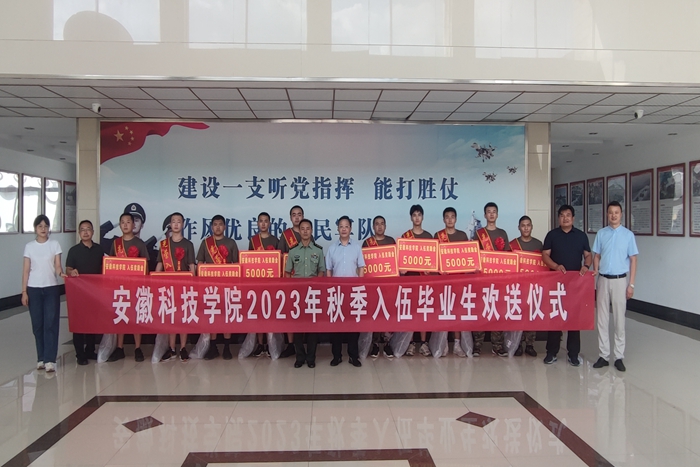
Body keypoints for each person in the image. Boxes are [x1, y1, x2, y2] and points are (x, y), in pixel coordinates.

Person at [542, 204, 592, 366]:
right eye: (562, 215)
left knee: (574, 318)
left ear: (573, 218)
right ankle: (551, 352)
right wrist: (556, 266)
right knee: (555, 317)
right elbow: (545, 255)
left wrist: (586, 266)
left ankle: (573, 354)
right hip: (555, 283)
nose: (565, 218)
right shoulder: (552, 235)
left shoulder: (581, 236)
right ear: (558, 218)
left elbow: (588, 255)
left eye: (568, 215)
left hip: (575, 284)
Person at [592, 201, 638, 372]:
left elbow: (633, 260)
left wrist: (631, 284)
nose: (613, 215)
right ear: (607, 214)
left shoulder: (628, 235)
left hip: (620, 280)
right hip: (603, 279)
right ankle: (603, 355)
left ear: (621, 214)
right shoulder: (601, 234)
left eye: (616, 212)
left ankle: (619, 356)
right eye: (610, 212)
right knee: (602, 319)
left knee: (619, 319)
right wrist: (596, 269)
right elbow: (596, 255)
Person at [22, 215, 66, 373]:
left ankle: (50, 359)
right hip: (33, 289)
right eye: (40, 226)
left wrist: (62, 274)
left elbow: (58, 266)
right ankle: (40, 358)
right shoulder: (29, 247)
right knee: (37, 325)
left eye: (46, 226)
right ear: (35, 228)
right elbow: (26, 271)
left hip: (51, 288)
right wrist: (24, 292)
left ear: (49, 229)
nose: (43, 229)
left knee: (51, 324)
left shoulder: (54, 245)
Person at [106, 213, 150, 363]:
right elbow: (110, 265)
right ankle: (119, 348)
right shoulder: (116, 243)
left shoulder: (140, 244)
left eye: (128, 222)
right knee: (121, 315)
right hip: (120, 287)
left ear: (133, 225)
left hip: (136, 287)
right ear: (120, 225)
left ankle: (137, 348)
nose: (125, 225)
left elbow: (145, 266)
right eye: (122, 222)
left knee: (136, 317)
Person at [198, 214, 240, 360]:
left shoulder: (231, 242)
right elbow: (200, 263)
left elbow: (236, 265)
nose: (217, 227)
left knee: (226, 316)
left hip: (227, 286)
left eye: (220, 224)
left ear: (225, 227)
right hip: (210, 287)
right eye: (215, 224)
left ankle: (227, 347)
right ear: (211, 227)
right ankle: (213, 347)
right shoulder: (205, 243)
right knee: (213, 316)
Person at [285, 218, 326, 368]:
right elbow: (287, 272)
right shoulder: (293, 251)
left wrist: (316, 285)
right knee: (298, 328)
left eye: (308, 228)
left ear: (311, 231)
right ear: (299, 231)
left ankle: (311, 358)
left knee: (312, 328)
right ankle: (300, 357)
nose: (305, 231)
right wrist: (292, 288)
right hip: (297, 295)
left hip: (313, 294)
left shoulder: (318, 250)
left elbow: (321, 270)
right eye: (302, 229)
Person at [156, 212, 196, 362]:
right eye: (173, 221)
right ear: (170, 225)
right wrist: (154, 280)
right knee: (171, 317)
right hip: (168, 286)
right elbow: (160, 264)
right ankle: (172, 348)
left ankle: (183, 348)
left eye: (179, 221)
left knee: (183, 316)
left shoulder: (188, 244)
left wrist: (194, 284)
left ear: (183, 224)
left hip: (184, 286)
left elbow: (192, 266)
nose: (176, 224)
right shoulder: (164, 245)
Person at [326, 215, 365, 367]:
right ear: (337, 229)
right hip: (336, 292)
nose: (343, 229)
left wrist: (360, 285)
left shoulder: (356, 247)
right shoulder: (332, 248)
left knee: (353, 325)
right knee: (336, 325)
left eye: (346, 226)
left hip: (353, 292)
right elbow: (329, 270)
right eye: (341, 226)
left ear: (350, 229)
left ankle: (353, 356)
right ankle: (336, 356)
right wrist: (330, 288)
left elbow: (361, 267)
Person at [472, 202, 510, 357]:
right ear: (485, 215)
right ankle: (477, 345)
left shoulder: (503, 233)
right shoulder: (479, 234)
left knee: (497, 311)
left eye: (494, 211)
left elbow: (508, 256)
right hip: (483, 279)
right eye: (489, 212)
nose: (492, 214)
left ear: (497, 214)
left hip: (498, 280)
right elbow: (475, 254)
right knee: (481, 311)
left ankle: (497, 345)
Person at [65, 220, 104, 365]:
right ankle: (80, 354)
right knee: (79, 322)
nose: (86, 232)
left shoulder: (99, 249)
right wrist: (72, 272)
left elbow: (104, 268)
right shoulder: (74, 251)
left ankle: (90, 350)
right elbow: (68, 269)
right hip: (78, 293)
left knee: (92, 322)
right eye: (83, 229)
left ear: (93, 232)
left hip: (95, 292)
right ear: (79, 233)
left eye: (88, 229)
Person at [434, 207, 469, 357]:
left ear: (456, 219)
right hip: (443, 280)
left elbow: (468, 257)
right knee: (444, 311)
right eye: (447, 217)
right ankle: (442, 344)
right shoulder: (438, 236)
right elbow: (434, 258)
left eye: (452, 216)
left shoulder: (462, 235)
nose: (449, 219)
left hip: (458, 280)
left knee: (457, 312)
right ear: (443, 219)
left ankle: (457, 344)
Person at [362, 215, 396, 358]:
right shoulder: (367, 243)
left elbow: (396, 262)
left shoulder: (391, 241)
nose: (380, 226)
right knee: (375, 313)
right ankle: (375, 344)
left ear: (385, 226)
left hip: (388, 286)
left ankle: (387, 343)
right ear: (373, 227)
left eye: (382, 224)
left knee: (388, 314)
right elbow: (363, 265)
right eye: (377, 224)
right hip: (373, 287)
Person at [401, 204, 432, 357]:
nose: (417, 217)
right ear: (411, 218)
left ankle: (424, 343)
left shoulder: (429, 237)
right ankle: (411, 343)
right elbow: (400, 262)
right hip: (410, 281)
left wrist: (430, 269)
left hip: (424, 281)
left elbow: (434, 261)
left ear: (423, 217)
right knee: (411, 312)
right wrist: (402, 269)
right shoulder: (405, 237)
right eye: (414, 215)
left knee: (423, 312)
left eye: (419, 214)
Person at [509, 215, 543, 357]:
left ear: (532, 227)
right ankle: (517, 344)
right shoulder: (512, 245)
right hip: (517, 287)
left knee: (531, 315)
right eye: (523, 225)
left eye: (528, 225)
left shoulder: (538, 244)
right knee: (518, 314)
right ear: (519, 227)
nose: (526, 228)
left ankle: (530, 344)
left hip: (532, 286)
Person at [248, 211, 279, 357]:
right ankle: (260, 344)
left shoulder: (275, 240)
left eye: (266, 221)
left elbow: (280, 261)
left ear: (270, 223)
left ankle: (271, 344)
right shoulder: (253, 241)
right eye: (261, 221)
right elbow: (248, 261)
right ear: (257, 223)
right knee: (259, 314)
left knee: (271, 314)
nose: (263, 223)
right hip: (257, 282)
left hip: (272, 283)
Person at [278, 205, 306, 359]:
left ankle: (301, 344)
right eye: (294, 215)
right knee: (290, 313)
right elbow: (280, 258)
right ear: (290, 218)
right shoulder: (285, 235)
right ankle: (290, 345)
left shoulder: (307, 233)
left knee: (303, 313)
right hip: (289, 280)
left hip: (305, 280)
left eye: (299, 214)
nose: (297, 217)